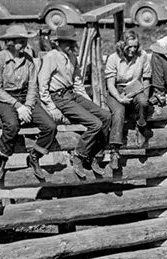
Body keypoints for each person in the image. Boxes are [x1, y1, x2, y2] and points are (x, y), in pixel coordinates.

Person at [39, 26, 111, 179]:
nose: (69, 45)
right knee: (95, 124)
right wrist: (51, 107)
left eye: (70, 42)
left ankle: (92, 155)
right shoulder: (51, 57)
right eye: (65, 42)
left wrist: (88, 103)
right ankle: (78, 155)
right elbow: (42, 83)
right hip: (58, 97)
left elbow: (77, 81)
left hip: (71, 93)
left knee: (105, 116)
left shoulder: (72, 57)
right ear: (58, 43)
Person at [0, 25, 58, 181]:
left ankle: (34, 156)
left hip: (26, 97)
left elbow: (33, 86)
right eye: (20, 41)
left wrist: (27, 106)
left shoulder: (28, 60)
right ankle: (3, 159)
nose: (24, 44)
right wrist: (18, 106)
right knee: (12, 125)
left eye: (24, 41)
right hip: (5, 99)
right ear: (10, 43)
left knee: (50, 126)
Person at [105, 30, 152, 169]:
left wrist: (145, 96)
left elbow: (147, 78)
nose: (132, 50)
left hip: (135, 88)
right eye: (129, 47)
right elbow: (110, 84)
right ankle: (114, 151)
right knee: (118, 113)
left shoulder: (142, 56)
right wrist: (120, 98)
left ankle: (142, 126)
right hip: (117, 90)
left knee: (144, 102)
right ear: (122, 46)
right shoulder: (113, 58)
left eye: (135, 47)